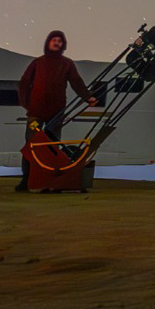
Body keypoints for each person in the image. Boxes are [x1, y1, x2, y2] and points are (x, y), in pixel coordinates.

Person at [16, 31, 95, 193]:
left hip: (57, 113)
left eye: (59, 40)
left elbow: (76, 82)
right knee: (31, 145)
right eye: (54, 40)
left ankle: (49, 180)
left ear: (63, 44)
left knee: (52, 146)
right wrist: (26, 104)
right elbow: (24, 83)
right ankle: (26, 179)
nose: (56, 43)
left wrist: (88, 97)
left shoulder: (67, 64)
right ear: (48, 42)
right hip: (36, 112)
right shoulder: (38, 62)